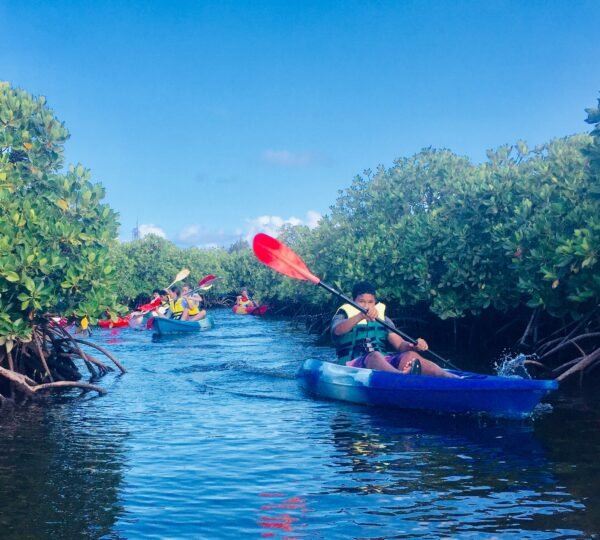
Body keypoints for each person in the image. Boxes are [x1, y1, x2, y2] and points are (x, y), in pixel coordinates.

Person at [331, 281, 458, 377]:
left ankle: (453, 379)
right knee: (374, 355)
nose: (367, 306)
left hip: (382, 362)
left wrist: (412, 345)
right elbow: (337, 330)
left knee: (411, 355)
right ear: (353, 301)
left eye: (370, 302)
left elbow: (399, 345)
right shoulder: (343, 314)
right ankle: (401, 377)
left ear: (375, 302)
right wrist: (359, 316)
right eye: (362, 301)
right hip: (352, 364)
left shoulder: (384, 319)